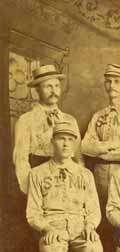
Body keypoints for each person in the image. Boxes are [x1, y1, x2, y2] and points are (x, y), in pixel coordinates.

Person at [26, 118, 103, 252]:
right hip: (53, 228)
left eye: (70, 139)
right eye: (61, 138)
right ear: (53, 141)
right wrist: (47, 228)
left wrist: (90, 226)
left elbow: (93, 210)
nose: (66, 144)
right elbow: (33, 213)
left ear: (75, 144)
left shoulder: (85, 175)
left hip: (80, 228)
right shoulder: (37, 174)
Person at [82, 64, 120, 252]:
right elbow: (84, 146)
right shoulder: (99, 115)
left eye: (117, 81)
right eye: (108, 81)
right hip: (99, 173)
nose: (112, 86)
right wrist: (107, 147)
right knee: (99, 218)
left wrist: (98, 148)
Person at [13, 65, 82, 194]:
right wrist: (31, 190)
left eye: (56, 86)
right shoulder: (26, 120)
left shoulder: (70, 120)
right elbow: (21, 160)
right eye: (48, 86)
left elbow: (78, 158)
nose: (53, 91)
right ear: (37, 90)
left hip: (67, 183)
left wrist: (78, 187)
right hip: (40, 181)